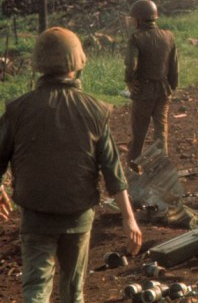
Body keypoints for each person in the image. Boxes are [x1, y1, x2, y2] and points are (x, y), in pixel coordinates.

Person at [0, 26, 142, 302]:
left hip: (35, 215)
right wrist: (129, 218)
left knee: (35, 288)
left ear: (38, 63)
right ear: (78, 62)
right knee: (72, 291)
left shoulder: (18, 109)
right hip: (77, 216)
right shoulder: (94, 110)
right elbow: (112, 170)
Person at [124, 0, 179, 172]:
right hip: (163, 90)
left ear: (139, 19)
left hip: (143, 92)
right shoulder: (168, 36)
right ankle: (161, 168)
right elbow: (174, 68)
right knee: (160, 132)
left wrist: (131, 83)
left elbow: (131, 66)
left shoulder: (136, 38)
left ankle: (134, 167)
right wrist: (170, 88)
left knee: (139, 132)